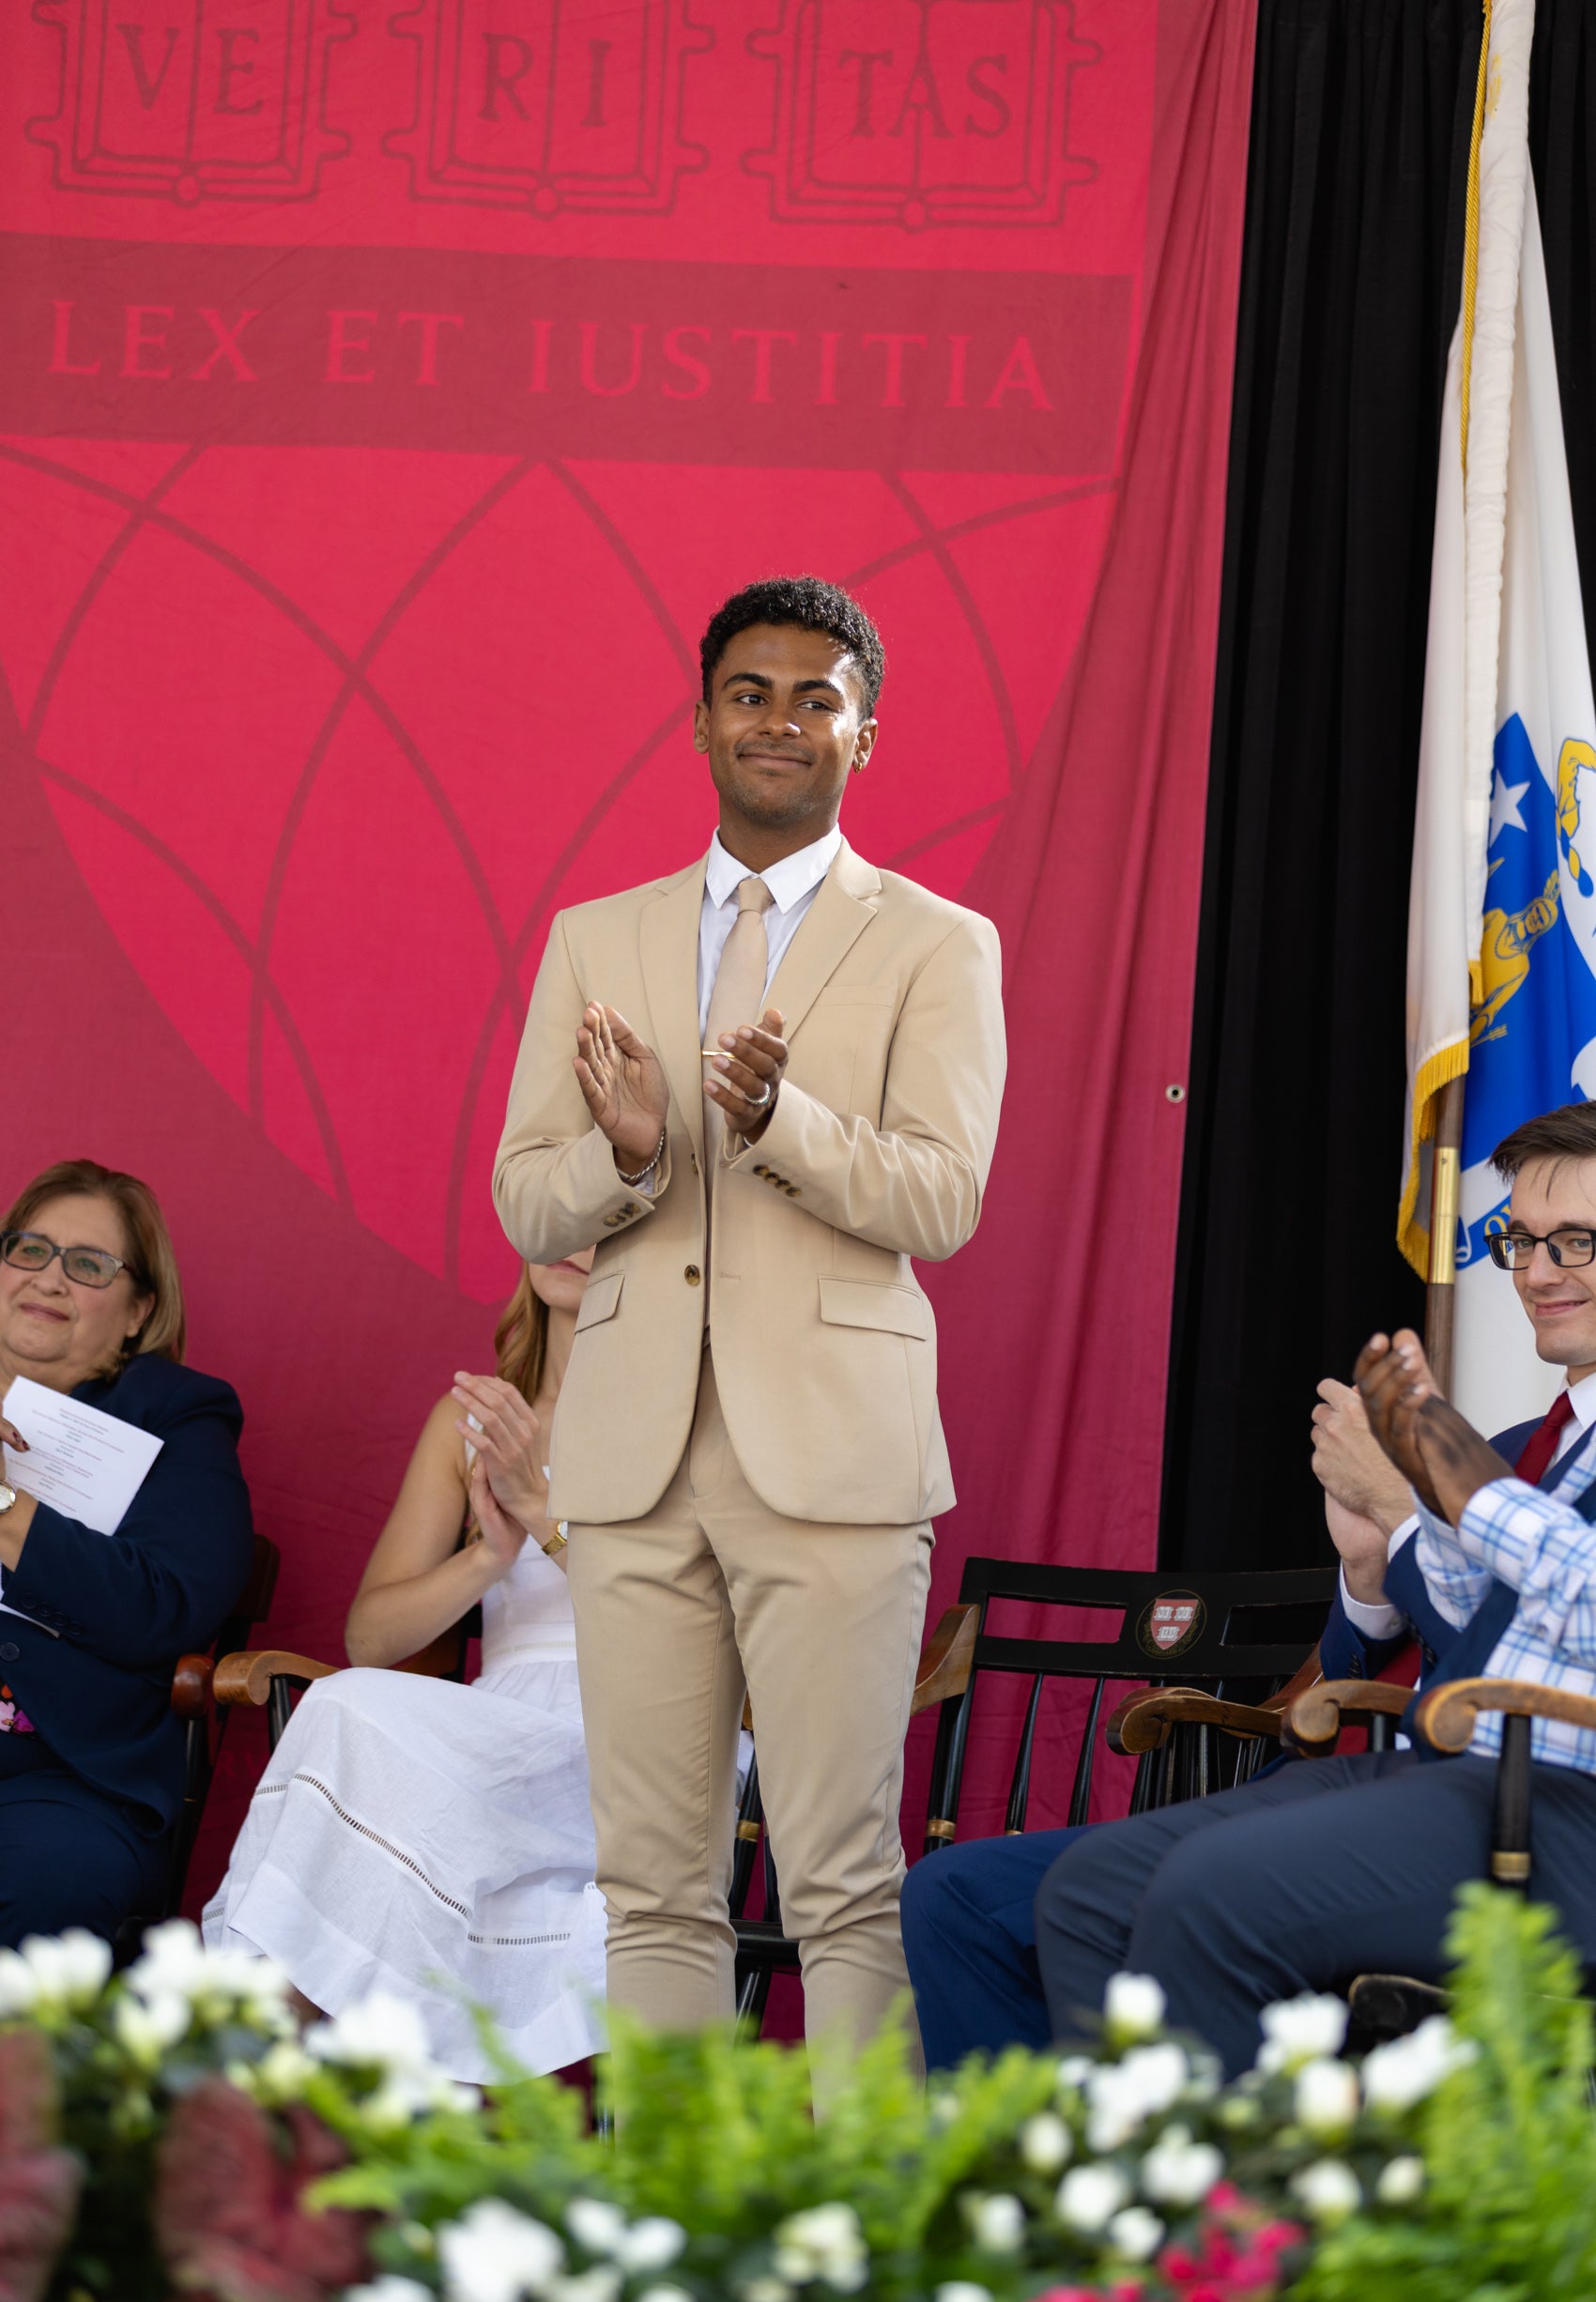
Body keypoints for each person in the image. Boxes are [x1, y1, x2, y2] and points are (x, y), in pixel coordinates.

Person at [493, 576, 1006, 2077]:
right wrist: (638, 1155)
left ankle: (848, 2250)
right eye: (750, 692)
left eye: (816, 698)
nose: (780, 720)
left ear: (867, 733)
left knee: (846, 1881)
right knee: (651, 1886)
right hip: (632, 1464)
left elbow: (943, 1197)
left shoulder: (935, 941)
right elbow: (532, 1202)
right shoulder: (598, 936)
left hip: (837, 1458)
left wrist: (781, 1117)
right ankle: (677, 2248)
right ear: (701, 716)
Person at [1031, 1098, 1596, 2079]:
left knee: (1207, 1891)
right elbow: (1486, 1628)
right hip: (1477, 1780)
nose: (1537, 1273)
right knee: (1087, 1890)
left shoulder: (1509, 1465)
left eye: (1576, 1243)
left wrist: (1448, 1475)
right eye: (1520, 1241)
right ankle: (1137, 2208)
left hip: (1559, 1810)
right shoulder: (1566, 1445)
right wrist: (1392, 1527)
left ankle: (1249, 2223)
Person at [899, 1382, 1450, 2070]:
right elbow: (1354, 1661)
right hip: (1326, 1786)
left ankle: (1166, 2163)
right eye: (1521, 1260)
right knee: (949, 1896)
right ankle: (1022, 2168)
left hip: (1453, 1808)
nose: (1540, 1273)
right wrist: (1369, 1571)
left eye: (1573, 1260)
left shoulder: (1508, 1494)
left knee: (1119, 1898)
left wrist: (1403, 1517)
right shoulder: (1500, 1458)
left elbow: (1507, 1657)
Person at [204, 1253, 608, 2080]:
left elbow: (691, 1631)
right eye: (552, 1211)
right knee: (352, 1708)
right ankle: (267, 2068)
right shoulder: (473, 1423)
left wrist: (542, 1511)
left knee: (356, 1722)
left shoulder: (704, 1420)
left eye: (602, 1215)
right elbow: (371, 1638)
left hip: (636, 1730)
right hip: (494, 1729)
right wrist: (489, 1559)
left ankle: (248, 2068)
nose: (571, 1237)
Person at [0, 1159, 253, 1947]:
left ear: (140, 1310)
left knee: (51, 1879)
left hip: (54, 1777)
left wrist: (6, 1504)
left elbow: (167, 1607)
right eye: (28, 1249)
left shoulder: (176, 1417)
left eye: (87, 1265)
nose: (49, 1278)